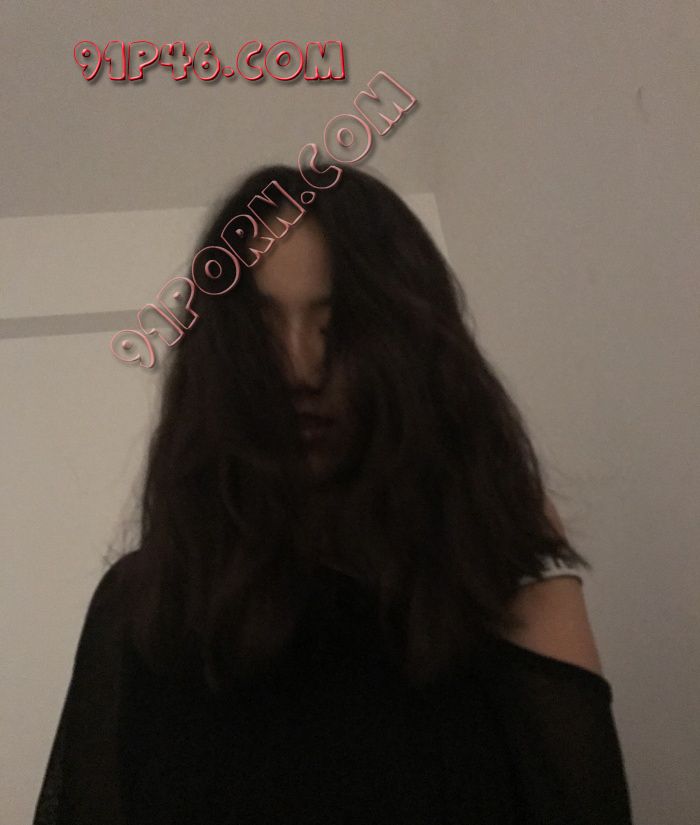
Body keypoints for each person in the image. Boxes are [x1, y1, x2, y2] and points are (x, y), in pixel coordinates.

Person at [32, 162, 634, 824]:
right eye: (263, 330)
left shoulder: (498, 587)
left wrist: (518, 549)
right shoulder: (144, 607)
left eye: (337, 325)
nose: (298, 367)